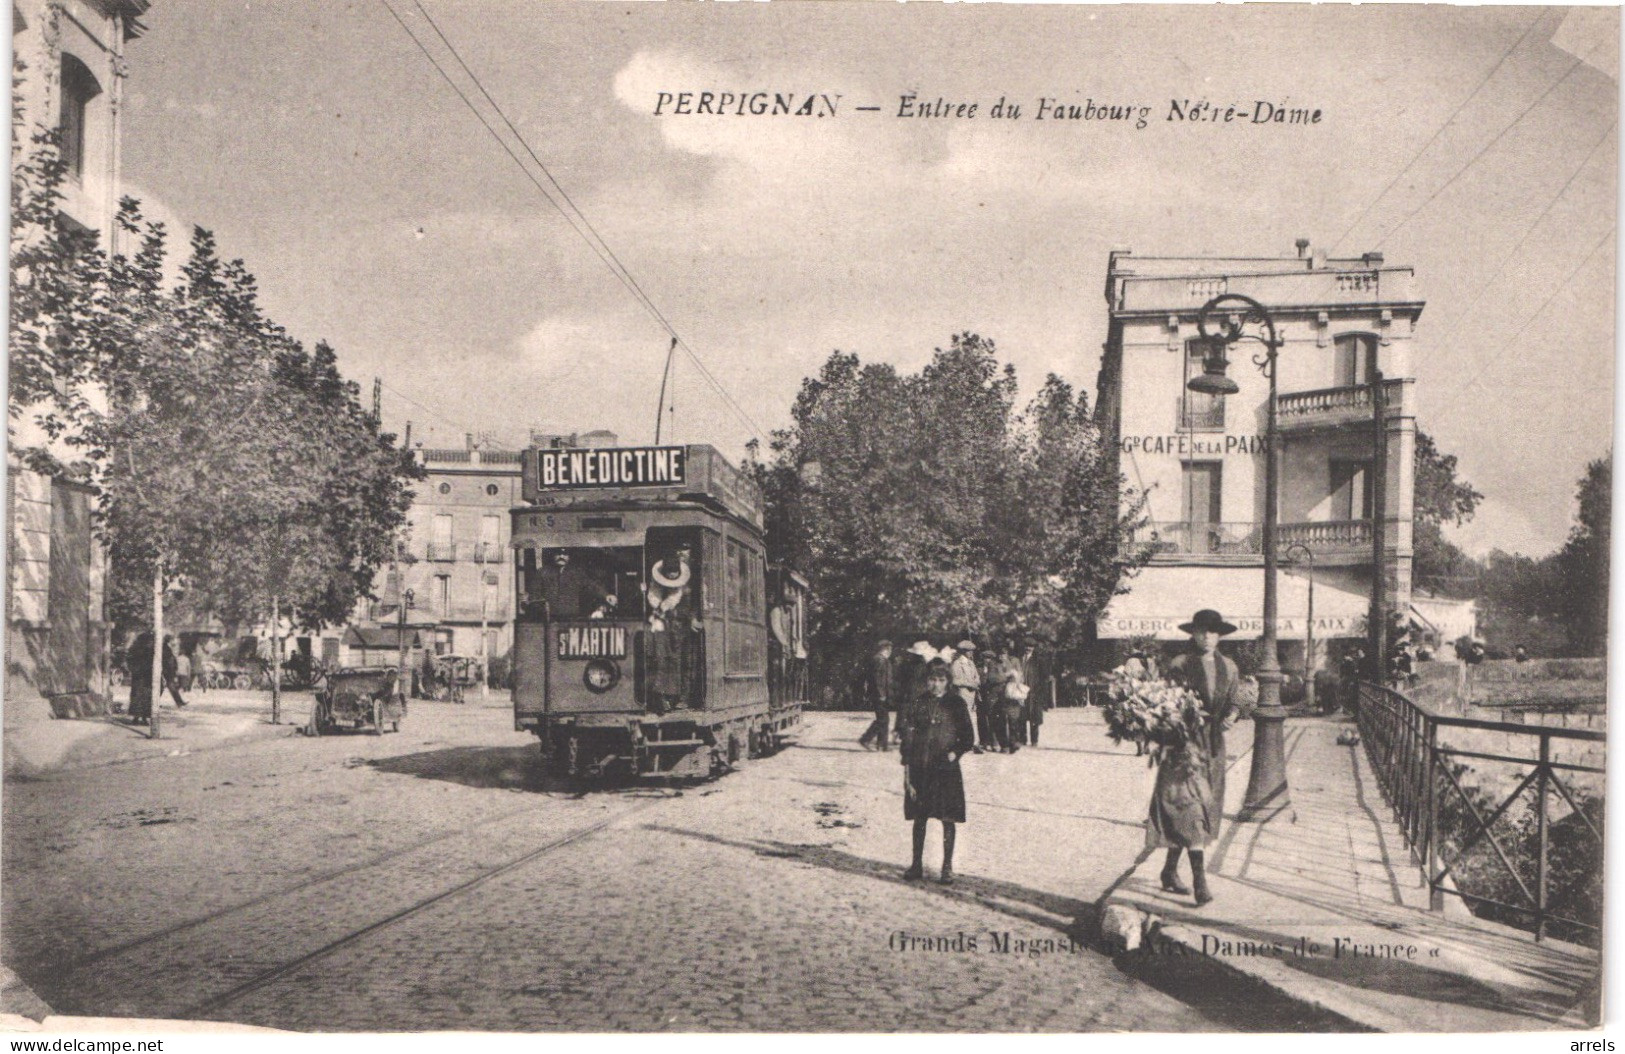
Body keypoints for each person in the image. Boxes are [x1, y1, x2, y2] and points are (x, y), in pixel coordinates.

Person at [1151, 609, 1241, 907]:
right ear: (1193, 634)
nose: (1207, 637)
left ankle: (1168, 871)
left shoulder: (1229, 667)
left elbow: (1235, 702)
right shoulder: (1179, 665)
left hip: (1213, 746)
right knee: (1187, 807)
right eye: (1201, 631)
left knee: (1204, 807)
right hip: (1183, 745)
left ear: (1220, 635)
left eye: (1212, 632)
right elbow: (1164, 704)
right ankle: (1200, 882)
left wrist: (1232, 716)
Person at [898, 658, 975, 884]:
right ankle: (916, 865)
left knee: (947, 818)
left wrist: (956, 753)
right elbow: (908, 739)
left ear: (948, 681)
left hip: (946, 771)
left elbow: (968, 737)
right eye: (932, 680)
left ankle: (947, 867)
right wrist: (907, 772)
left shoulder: (957, 704)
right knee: (919, 818)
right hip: (921, 769)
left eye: (941, 680)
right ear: (926, 681)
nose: (936, 685)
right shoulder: (918, 703)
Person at [858, 640, 895, 751]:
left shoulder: (881, 660)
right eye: (889, 649)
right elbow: (876, 679)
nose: (890, 651)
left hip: (882, 694)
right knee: (882, 720)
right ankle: (865, 739)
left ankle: (882, 745)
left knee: (884, 719)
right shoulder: (879, 660)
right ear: (886, 649)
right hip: (879, 695)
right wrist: (881, 694)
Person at [949, 640, 984, 754]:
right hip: (962, 694)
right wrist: (970, 683)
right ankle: (965, 743)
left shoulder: (971, 663)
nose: (971, 653)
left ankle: (975, 743)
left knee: (973, 718)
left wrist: (976, 682)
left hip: (972, 695)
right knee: (963, 718)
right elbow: (955, 680)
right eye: (969, 651)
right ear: (963, 651)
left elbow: (977, 677)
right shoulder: (957, 664)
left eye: (972, 651)